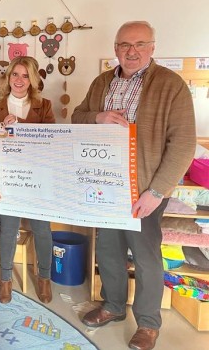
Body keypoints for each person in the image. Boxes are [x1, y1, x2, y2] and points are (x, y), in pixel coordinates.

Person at [72, 21, 196, 350]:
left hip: (144, 189)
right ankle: (113, 306)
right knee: (109, 251)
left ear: (152, 48)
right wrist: (96, 117)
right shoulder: (102, 82)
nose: (131, 51)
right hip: (105, 186)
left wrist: (156, 192)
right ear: (115, 49)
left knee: (145, 257)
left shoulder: (171, 85)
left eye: (140, 44)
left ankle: (148, 323)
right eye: (125, 45)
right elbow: (77, 116)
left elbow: (183, 144)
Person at [0, 56, 54, 304]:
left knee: (42, 230)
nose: (19, 80)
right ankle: (6, 280)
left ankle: (44, 278)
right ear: (8, 77)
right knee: (8, 231)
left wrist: (20, 125)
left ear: (33, 79)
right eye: (15, 74)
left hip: (37, 180)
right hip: (8, 180)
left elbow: (49, 141)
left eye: (25, 75)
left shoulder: (44, 105)